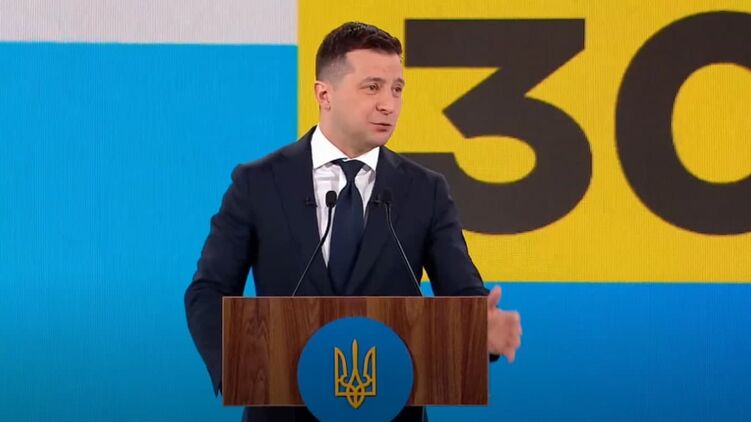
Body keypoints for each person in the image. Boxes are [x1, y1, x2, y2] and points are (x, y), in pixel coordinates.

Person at [185, 21, 522, 422]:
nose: (389, 104)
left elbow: (461, 292)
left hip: (390, 409)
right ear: (324, 94)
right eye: (372, 87)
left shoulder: (425, 190)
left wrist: (480, 329)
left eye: (397, 89)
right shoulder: (258, 183)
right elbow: (208, 291)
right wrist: (239, 367)